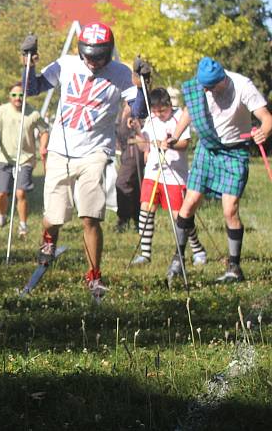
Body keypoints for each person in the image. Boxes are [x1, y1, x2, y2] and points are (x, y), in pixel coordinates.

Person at [22, 23, 146, 299]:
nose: (93, 62)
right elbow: (33, 89)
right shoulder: (66, 64)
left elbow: (139, 110)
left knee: (90, 216)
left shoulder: (120, 73)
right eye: (88, 56)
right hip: (60, 150)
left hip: (95, 152)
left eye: (99, 56)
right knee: (54, 216)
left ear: (109, 52)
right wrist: (28, 63)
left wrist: (143, 83)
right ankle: (49, 241)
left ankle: (94, 276)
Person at [164, 57, 271, 283]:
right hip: (208, 148)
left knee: (230, 210)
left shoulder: (243, 86)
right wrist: (175, 135)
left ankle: (234, 268)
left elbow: (266, 118)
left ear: (222, 78)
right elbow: (189, 110)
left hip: (234, 151)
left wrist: (264, 131)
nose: (208, 91)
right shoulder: (201, 88)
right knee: (190, 202)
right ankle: (178, 258)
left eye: (212, 87)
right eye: (205, 87)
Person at [129, 88, 207, 267]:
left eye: (162, 111)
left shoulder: (180, 116)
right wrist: (138, 132)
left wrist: (170, 144)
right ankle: (145, 253)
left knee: (180, 216)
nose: (158, 114)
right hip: (153, 172)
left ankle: (197, 250)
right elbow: (143, 146)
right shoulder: (151, 118)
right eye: (155, 111)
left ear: (169, 105)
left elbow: (185, 143)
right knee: (146, 209)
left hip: (175, 175)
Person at [0, 83, 49, 236]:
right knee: (1, 193)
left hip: (25, 158)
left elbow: (44, 130)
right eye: (14, 95)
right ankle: (1, 217)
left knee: (20, 193)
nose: (18, 98)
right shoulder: (1, 111)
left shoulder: (33, 113)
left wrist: (43, 146)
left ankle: (23, 224)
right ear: (9, 97)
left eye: (21, 95)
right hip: (5, 157)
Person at [114, 102, 143, 233]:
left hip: (135, 150)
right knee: (135, 185)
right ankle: (137, 219)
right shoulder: (121, 109)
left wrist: (136, 125)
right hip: (125, 151)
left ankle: (124, 218)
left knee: (122, 183)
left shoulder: (136, 107)